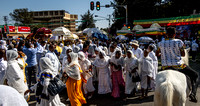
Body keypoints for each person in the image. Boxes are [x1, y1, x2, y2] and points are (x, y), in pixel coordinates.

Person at [156, 27, 199, 102]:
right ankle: (193, 94)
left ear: (166, 34)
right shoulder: (179, 42)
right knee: (195, 75)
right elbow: (182, 54)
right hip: (178, 66)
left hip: (165, 67)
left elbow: (157, 53)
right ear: (174, 34)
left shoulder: (160, 43)